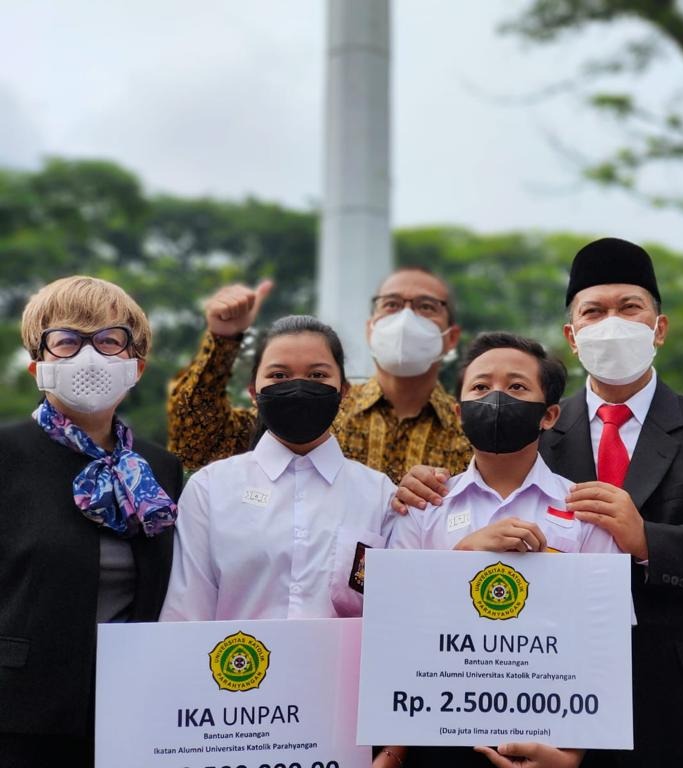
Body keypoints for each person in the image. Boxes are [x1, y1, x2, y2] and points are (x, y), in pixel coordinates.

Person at [395, 238, 683, 768]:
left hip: (682, 703)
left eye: (630, 308)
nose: (612, 323)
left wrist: (650, 541)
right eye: (594, 312)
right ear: (572, 337)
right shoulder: (528, 426)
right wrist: (410, 488)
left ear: (659, 327)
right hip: (545, 700)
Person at [392, 332, 618, 768]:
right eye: (479, 387)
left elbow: (604, 639)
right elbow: (396, 624)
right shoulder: (421, 508)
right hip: (437, 739)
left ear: (549, 414)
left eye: (516, 387)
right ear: (459, 411)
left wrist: (569, 754)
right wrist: (464, 557)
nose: (495, 398)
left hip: (551, 737)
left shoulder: (585, 510)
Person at [0, 276, 183, 767]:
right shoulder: (6, 454)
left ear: (136, 365)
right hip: (19, 714)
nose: (89, 355)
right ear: (37, 365)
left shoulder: (160, 469)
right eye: (66, 340)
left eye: (108, 340)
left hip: (134, 709)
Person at [160, 315, 396, 622]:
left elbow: (394, 612)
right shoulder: (210, 489)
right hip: (234, 669)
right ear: (253, 392)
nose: (298, 387)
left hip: (342, 670)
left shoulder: (379, 495)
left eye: (317, 375)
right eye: (279, 375)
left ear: (344, 391)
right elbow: (186, 613)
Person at [166, 267, 472, 482]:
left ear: (452, 337)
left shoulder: (471, 434)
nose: (406, 318)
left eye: (426, 306)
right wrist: (223, 340)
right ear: (371, 327)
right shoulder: (319, 407)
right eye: (391, 305)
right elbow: (195, 442)